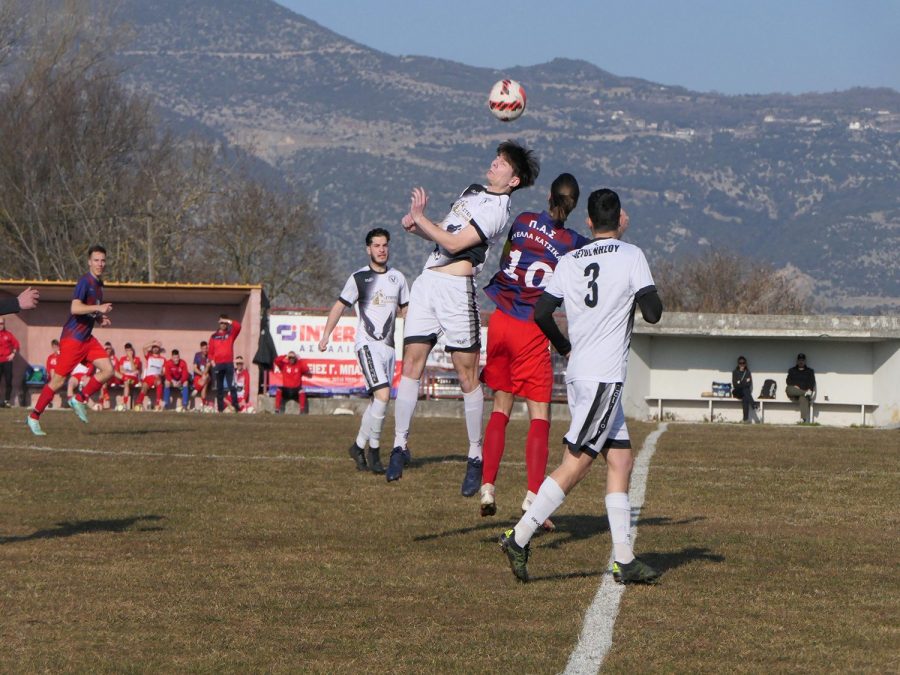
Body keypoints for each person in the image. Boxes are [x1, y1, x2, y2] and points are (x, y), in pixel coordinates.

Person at [498, 188, 664, 585]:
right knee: (578, 463)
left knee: (621, 460)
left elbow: (541, 312)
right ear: (620, 218)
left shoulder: (571, 258)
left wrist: (565, 346)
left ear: (588, 222)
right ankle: (519, 537)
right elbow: (655, 314)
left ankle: (623, 557)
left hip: (580, 374)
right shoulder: (631, 255)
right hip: (604, 376)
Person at [390, 140, 540, 489]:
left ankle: (475, 455)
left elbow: (458, 246)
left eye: (503, 163)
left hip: (457, 291)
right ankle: (400, 445)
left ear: (514, 180)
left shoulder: (499, 208)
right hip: (427, 283)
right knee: (411, 364)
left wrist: (422, 217)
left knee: (466, 375)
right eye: (498, 158)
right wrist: (418, 227)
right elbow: (445, 236)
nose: (495, 163)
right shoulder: (471, 190)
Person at [478, 173, 589, 525]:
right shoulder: (573, 242)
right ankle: (531, 496)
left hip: (500, 320)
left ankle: (487, 486)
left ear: (549, 195)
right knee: (539, 414)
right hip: (531, 325)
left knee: (500, 406)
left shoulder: (524, 220)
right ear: (573, 205)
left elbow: (508, 258)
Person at [318, 227, 410, 474]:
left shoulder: (398, 278)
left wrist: (416, 338)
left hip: (389, 349)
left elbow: (405, 311)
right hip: (367, 345)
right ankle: (375, 452)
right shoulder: (358, 278)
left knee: (377, 402)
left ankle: (358, 446)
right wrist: (326, 334)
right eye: (377, 246)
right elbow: (339, 306)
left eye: (385, 245)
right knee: (382, 396)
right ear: (368, 249)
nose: (382, 250)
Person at [27, 246, 116, 435]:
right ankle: (34, 416)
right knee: (58, 381)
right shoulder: (85, 281)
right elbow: (75, 308)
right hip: (73, 339)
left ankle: (80, 398)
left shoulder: (100, 285)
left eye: (103, 260)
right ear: (89, 262)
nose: (100, 264)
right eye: (96, 260)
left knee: (108, 370)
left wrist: (99, 318)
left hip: (87, 340)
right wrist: (99, 310)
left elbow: (89, 310)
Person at [209, 315, 241, 412]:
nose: (223, 325)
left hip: (229, 364)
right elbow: (210, 352)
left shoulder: (231, 334)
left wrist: (228, 320)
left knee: (232, 386)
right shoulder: (213, 336)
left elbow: (238, 326)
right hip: (218, 364)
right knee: (220, 387)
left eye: (225, 323)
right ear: (219, 323)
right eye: (221, 323)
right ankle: (220, 409)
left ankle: (236, 407)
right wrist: (212, 362)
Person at [134, 341, 166, 410]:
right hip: (148, 377)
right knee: (144, 387)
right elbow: (144, 348)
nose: (155, 349)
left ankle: (157, 404)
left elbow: (164, 372)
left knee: (159, 383)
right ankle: (139, 403)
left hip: (157, 377)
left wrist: (160, 374)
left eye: (156, 347)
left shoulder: (163, 359)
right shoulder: (149, 356)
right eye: (154, 347)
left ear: (159, 349)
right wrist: (153, 343)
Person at [786, 353, 816, 423]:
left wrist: (809, 389)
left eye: (802, 360)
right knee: (788, 388)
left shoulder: (810, 371)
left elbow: (812, 382)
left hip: (804, 393)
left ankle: (803, 419)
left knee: (803, 398)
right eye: (799, 360)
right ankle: (805, 393)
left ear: (805, 361)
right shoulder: (792, 370)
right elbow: (788, 381)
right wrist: (794, 385)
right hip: (794, 392)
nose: (801, 362)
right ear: (797, 361)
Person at [0, 316, 21, 407]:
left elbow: (16, 344)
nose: (0, 325)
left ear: (4, 324)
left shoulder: (8, 335)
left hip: (7, 361)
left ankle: (7, 401)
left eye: (1, 323)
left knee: (8, 381)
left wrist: (13, 354)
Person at [731, 355, 758, 423]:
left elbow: (749, 384)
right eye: (740, 363)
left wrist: (740, 383)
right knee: (745, 390)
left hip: (744, 392)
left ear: (745, 364)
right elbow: (735, 384)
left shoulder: (747, 372)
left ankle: (745, 419)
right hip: (737, 391)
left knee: (745, 398)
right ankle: (754, 404)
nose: (742, 364)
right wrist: (743, 383)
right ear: (738, 364)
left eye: (743, 363)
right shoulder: (735, 372)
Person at [117, 342, 142, 410]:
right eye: (127, 350)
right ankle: (124, 404)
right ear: (125, 351)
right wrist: (130, 371)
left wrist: (131, 358)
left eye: (130, 350)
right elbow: (121, 370)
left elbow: (134, 369)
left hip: (134, 379)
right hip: (125, 378)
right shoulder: (122, 359)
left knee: (126, 382)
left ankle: (124, 403)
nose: (129, 352)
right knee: (126, 381)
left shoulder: (137, 359)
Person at [99, 342, 120, 409]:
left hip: (112, 377)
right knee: (103, 386)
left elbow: (116, 370)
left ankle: (101, 403)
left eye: (109, 349)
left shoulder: (114, 359)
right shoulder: (101, 358)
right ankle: (103, 402)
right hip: (103, 377)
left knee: (103, 383)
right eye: (106, 349)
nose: (108, 350)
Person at [192, 341, 212, 410]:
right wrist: (202, 374)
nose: (205, 350)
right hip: (198, 376)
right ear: (201, 348)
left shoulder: (209, 356)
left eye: (206, 348)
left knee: (206, 376)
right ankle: (203, 404)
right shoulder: (197, 355)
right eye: (204, 348)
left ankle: (196, 389)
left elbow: (208, 367)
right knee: (204, 385)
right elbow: (195, 369)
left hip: (207, 376)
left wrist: (204, 375)